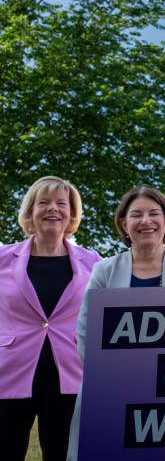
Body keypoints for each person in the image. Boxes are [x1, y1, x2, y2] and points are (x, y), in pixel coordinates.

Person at [67, 186, 165, 459]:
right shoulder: (104, 270)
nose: (146, 221)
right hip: (111, 388)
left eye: (154, 213)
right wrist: (110, 377)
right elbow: (85, 331)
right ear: (124, 223)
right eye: (136, 215)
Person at [0, 176, 100, 461]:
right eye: (43, 202)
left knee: (64, 454)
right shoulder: (2, 258)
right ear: (30, 211)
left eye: (61, 203)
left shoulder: (93, 261)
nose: (52, 209)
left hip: (70, 374)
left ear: (71, 213)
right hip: (9, 373)